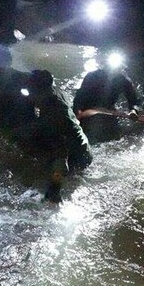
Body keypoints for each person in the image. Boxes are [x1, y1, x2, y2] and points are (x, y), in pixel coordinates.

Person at [20, 70, 93, 202]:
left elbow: (61, 156)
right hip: (82, 146)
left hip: (77, 156)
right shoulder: (54, 92)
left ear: (39, 91)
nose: (29, 94)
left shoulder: (54, 114)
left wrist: (54, 189)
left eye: (30, 91)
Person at [72, 53, 141, 142]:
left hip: (108, 110)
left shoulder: (124, 81)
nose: (113, 71)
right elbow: (79, 98)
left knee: (115, 138)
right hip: (88, 108)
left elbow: (134, 101)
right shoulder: (92, 76)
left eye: (117, 69)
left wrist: (133, 111)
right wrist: (79, 114)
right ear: (104, 66)